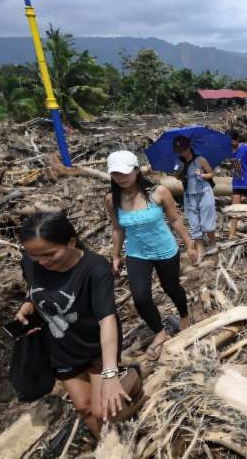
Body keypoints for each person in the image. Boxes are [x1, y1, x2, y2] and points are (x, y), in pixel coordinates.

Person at [16, 211, 142, 438]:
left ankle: (132, 375)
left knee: (103, 410)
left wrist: (111, 373)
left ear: (71, 242)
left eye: (49, 254)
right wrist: (28, 303)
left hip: (96, 347)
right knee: (84, 408)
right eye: (35, 256)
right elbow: (33, 287)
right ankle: (105, 447)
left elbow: (107, 319)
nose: (42, 262)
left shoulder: (94, 269)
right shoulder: (30, 261)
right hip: (62, 348)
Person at [105, 150, 197, 361]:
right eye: (115, 174)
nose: (120, 178)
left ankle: (184, 315)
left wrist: (190, 244)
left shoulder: (159, 192)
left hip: (165, 249)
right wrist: (116, 255)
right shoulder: (112, 199)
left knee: (171, 286)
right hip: (137, 252)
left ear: (137, 170)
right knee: (140, 296)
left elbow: (175, 220)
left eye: (125, 173)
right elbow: (117, 228)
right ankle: (159, 331)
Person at [173, 135, 218, 259]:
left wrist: (203, 175)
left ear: (188, 147)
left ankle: (213, 244)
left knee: (206, 219)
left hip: (204, 191)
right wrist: (178, 171)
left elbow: (211, 173)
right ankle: (200, 249)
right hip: (189, 194)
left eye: (183, 149)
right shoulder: (178, 162)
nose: (181, 153)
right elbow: (176, 176)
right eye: (179, 151)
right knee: (193, 221)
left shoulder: (200, 159)